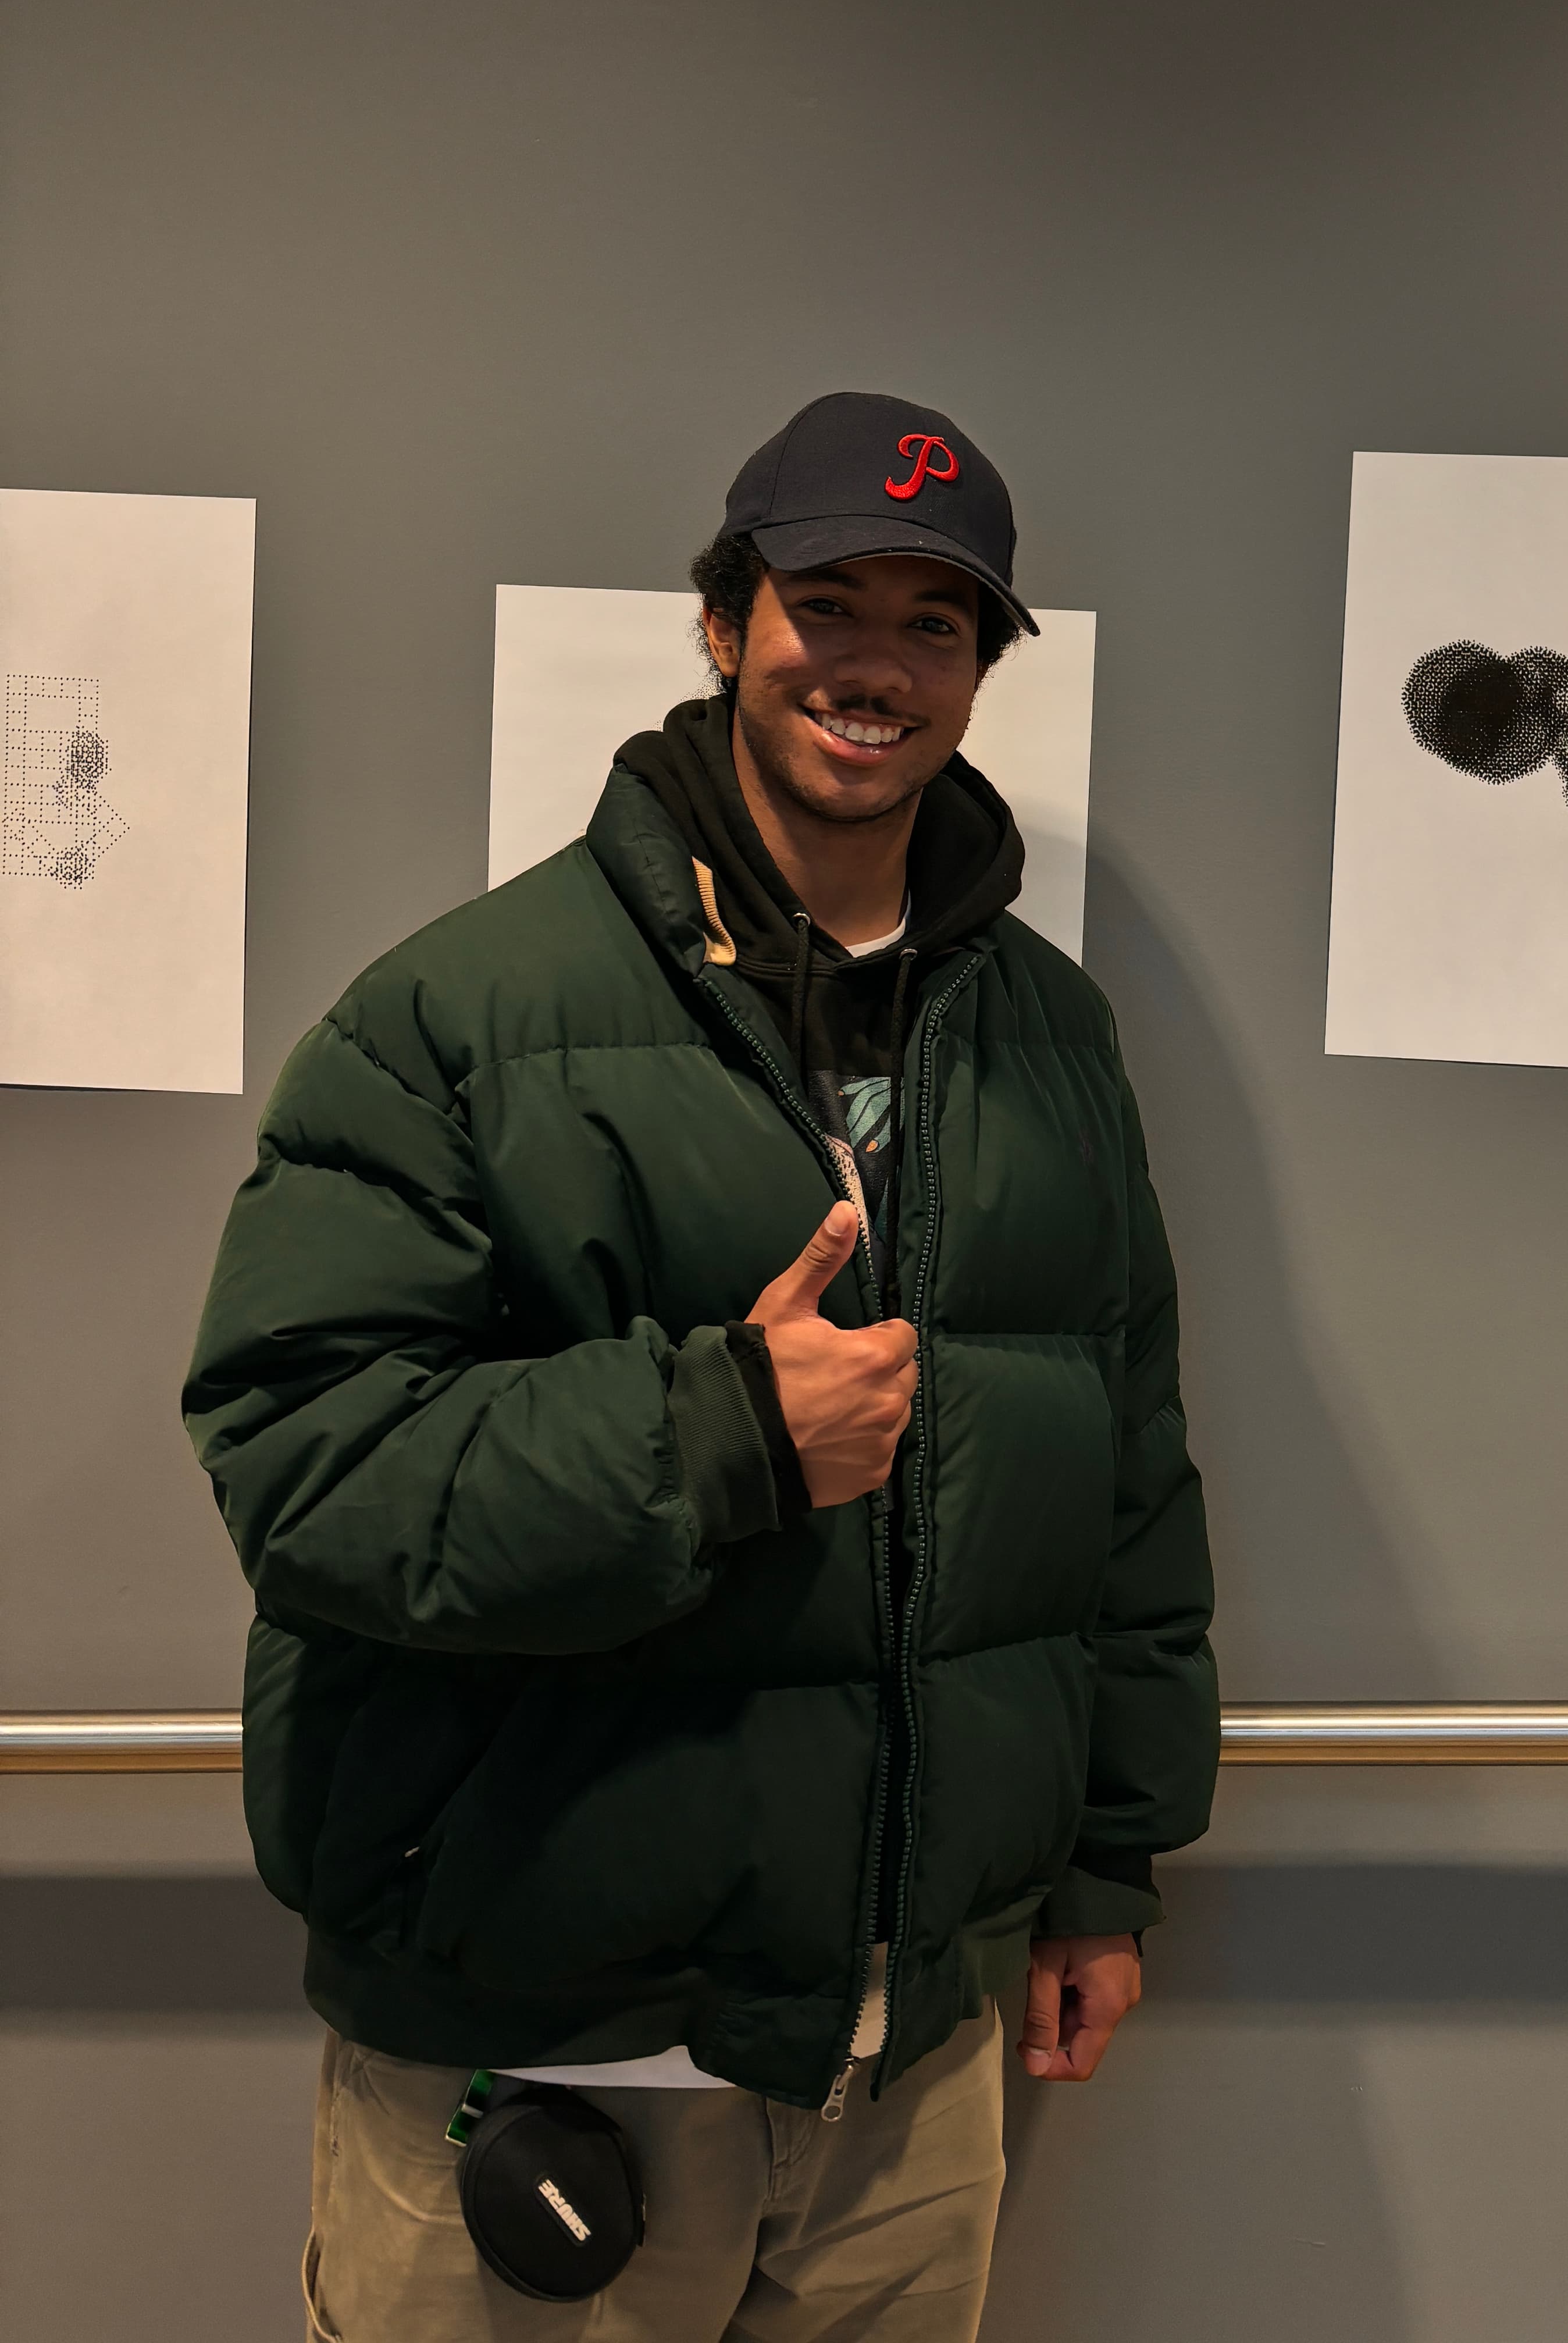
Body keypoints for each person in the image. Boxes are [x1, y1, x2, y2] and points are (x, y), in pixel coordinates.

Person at [183, 391, 1218, 2342]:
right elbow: (305, 1467)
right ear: (730, 622)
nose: (877, 666)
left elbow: (1128, 1471)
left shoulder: (1051, 1036)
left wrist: (1105, 1863)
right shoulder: (457, 1018)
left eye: (935, 622)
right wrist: (719, 1431)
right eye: (831, 604)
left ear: (979, 671)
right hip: (548, 2039)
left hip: (910, 2057)